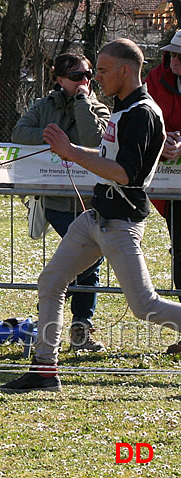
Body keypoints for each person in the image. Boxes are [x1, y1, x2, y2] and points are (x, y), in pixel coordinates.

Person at [0, 38, 181, 393]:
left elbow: (126, 173)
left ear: (124, 70)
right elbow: (104, 155)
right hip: (96, 217)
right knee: (50, 281)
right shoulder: (123, 108)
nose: (95, 78)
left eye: (101, 70)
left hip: (121, 222)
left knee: (144, 306)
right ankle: (44, 370)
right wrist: (71, 150)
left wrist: (70, 151)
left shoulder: (142, 113)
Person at [12, 52, 111, 352]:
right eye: (77, 76)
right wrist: (52, 140)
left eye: (89, 75)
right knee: (81, 262)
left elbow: (97, 140)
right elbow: (19, 133)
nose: (86, 81)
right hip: (56, 201)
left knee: (84, 264)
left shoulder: (98, 108)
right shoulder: (43, 106)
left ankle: (78, 327)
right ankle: (56, 323)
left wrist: (83, 103)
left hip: (91, 201)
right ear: (59, 79)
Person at [145, 31, 181, 329]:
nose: (175, 60)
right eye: (172, 53)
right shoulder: (156, 77)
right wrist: (162, 139)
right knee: (180, 249)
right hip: (171, 184)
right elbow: (148, 114)